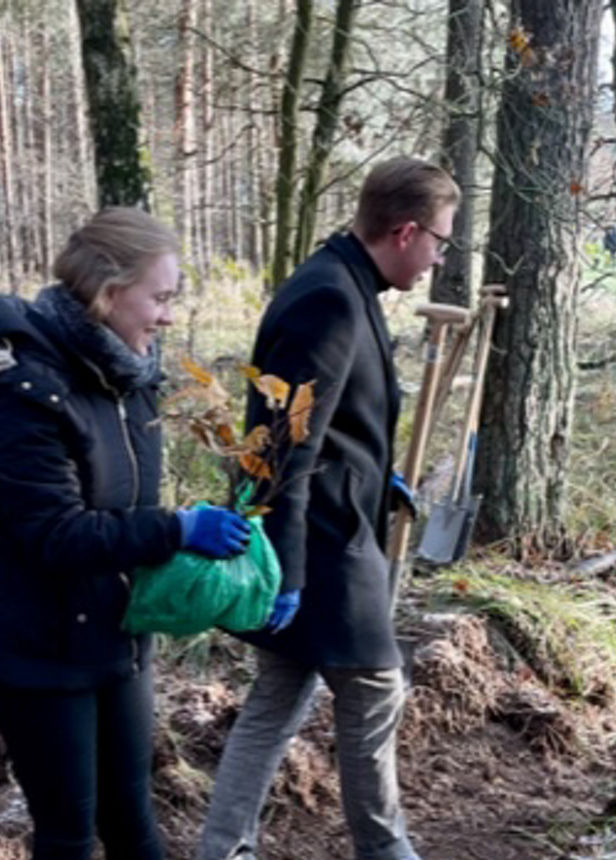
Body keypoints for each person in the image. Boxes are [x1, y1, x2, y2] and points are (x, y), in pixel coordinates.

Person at [0, 207, 252, 860]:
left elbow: (123, 507)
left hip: (115, 635)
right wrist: (175, 530)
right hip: (38, 647)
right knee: (70, 838)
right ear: (109, 293)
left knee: (134, 821)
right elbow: (53, 533)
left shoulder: (129, 381)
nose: (168, 316)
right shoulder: (24, 390)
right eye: (160, 298)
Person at [197, 157, 460, 860]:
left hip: (333, 524)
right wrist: (286, 570)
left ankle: (222, 850)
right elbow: (284, 447)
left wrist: (380, 483)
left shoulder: (342, 282)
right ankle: (385, 851)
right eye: (440, 241)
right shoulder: (331, 300)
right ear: (405, 232)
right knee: (375, 691)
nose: (439, 257)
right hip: (319, 546)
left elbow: (332, 428)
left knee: (279, 694)